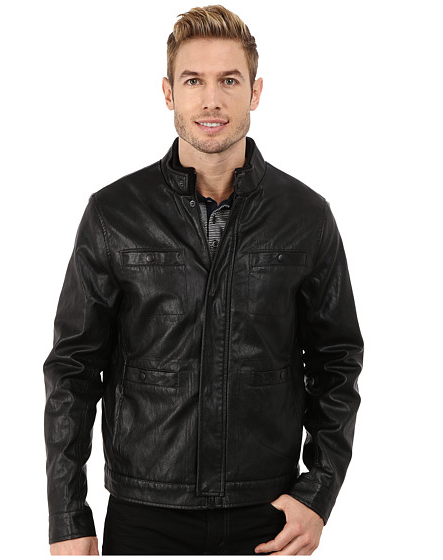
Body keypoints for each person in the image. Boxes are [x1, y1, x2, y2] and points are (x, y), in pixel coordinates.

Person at [43, 4, 364, 556]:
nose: (211, 100)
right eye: (193, 81)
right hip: (145, 513)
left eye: (229, 81)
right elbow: (73, 369)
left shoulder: (305, 216)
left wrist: (319, 493)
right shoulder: (114, 214)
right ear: (168, 92)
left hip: (269, 515)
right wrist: (68, 516)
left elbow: (336, 362)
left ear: (255, 92)